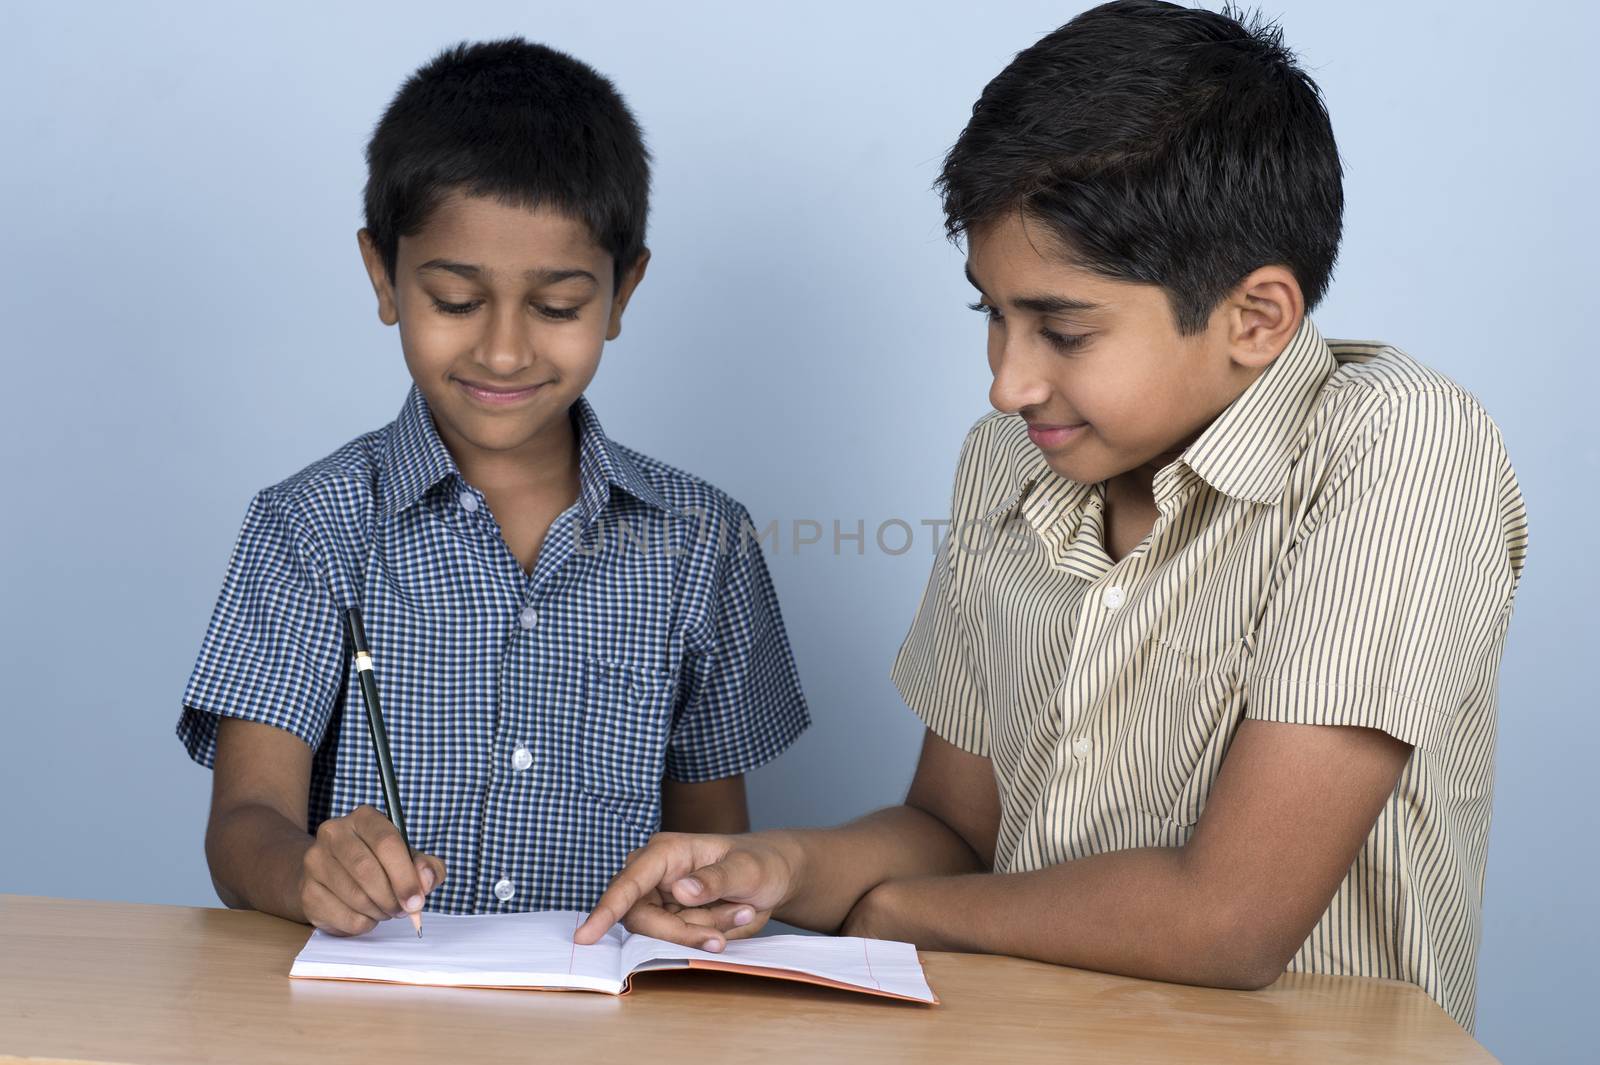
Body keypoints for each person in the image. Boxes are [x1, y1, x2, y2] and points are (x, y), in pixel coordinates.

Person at [576, 1, 1527, 1031]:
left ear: (1255, 318)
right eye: (993, 314)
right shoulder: (1009, 463)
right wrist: (780, 866)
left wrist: (900, 914)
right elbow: (953, 827)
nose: (1006, 384)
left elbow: (1231, 919)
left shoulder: (1399, 445)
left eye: (1062, 330)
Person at [178, 39, 809, 936]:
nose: (505, 351)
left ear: (623, 292)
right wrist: (304, 870)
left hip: (603, 1016)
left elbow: (710, 843)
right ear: (382, 274)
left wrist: (701, 901)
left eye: (557, 307)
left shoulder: (703, 541)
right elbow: (244, 826)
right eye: (456, 301)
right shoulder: (308, 526)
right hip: (365, 1021)